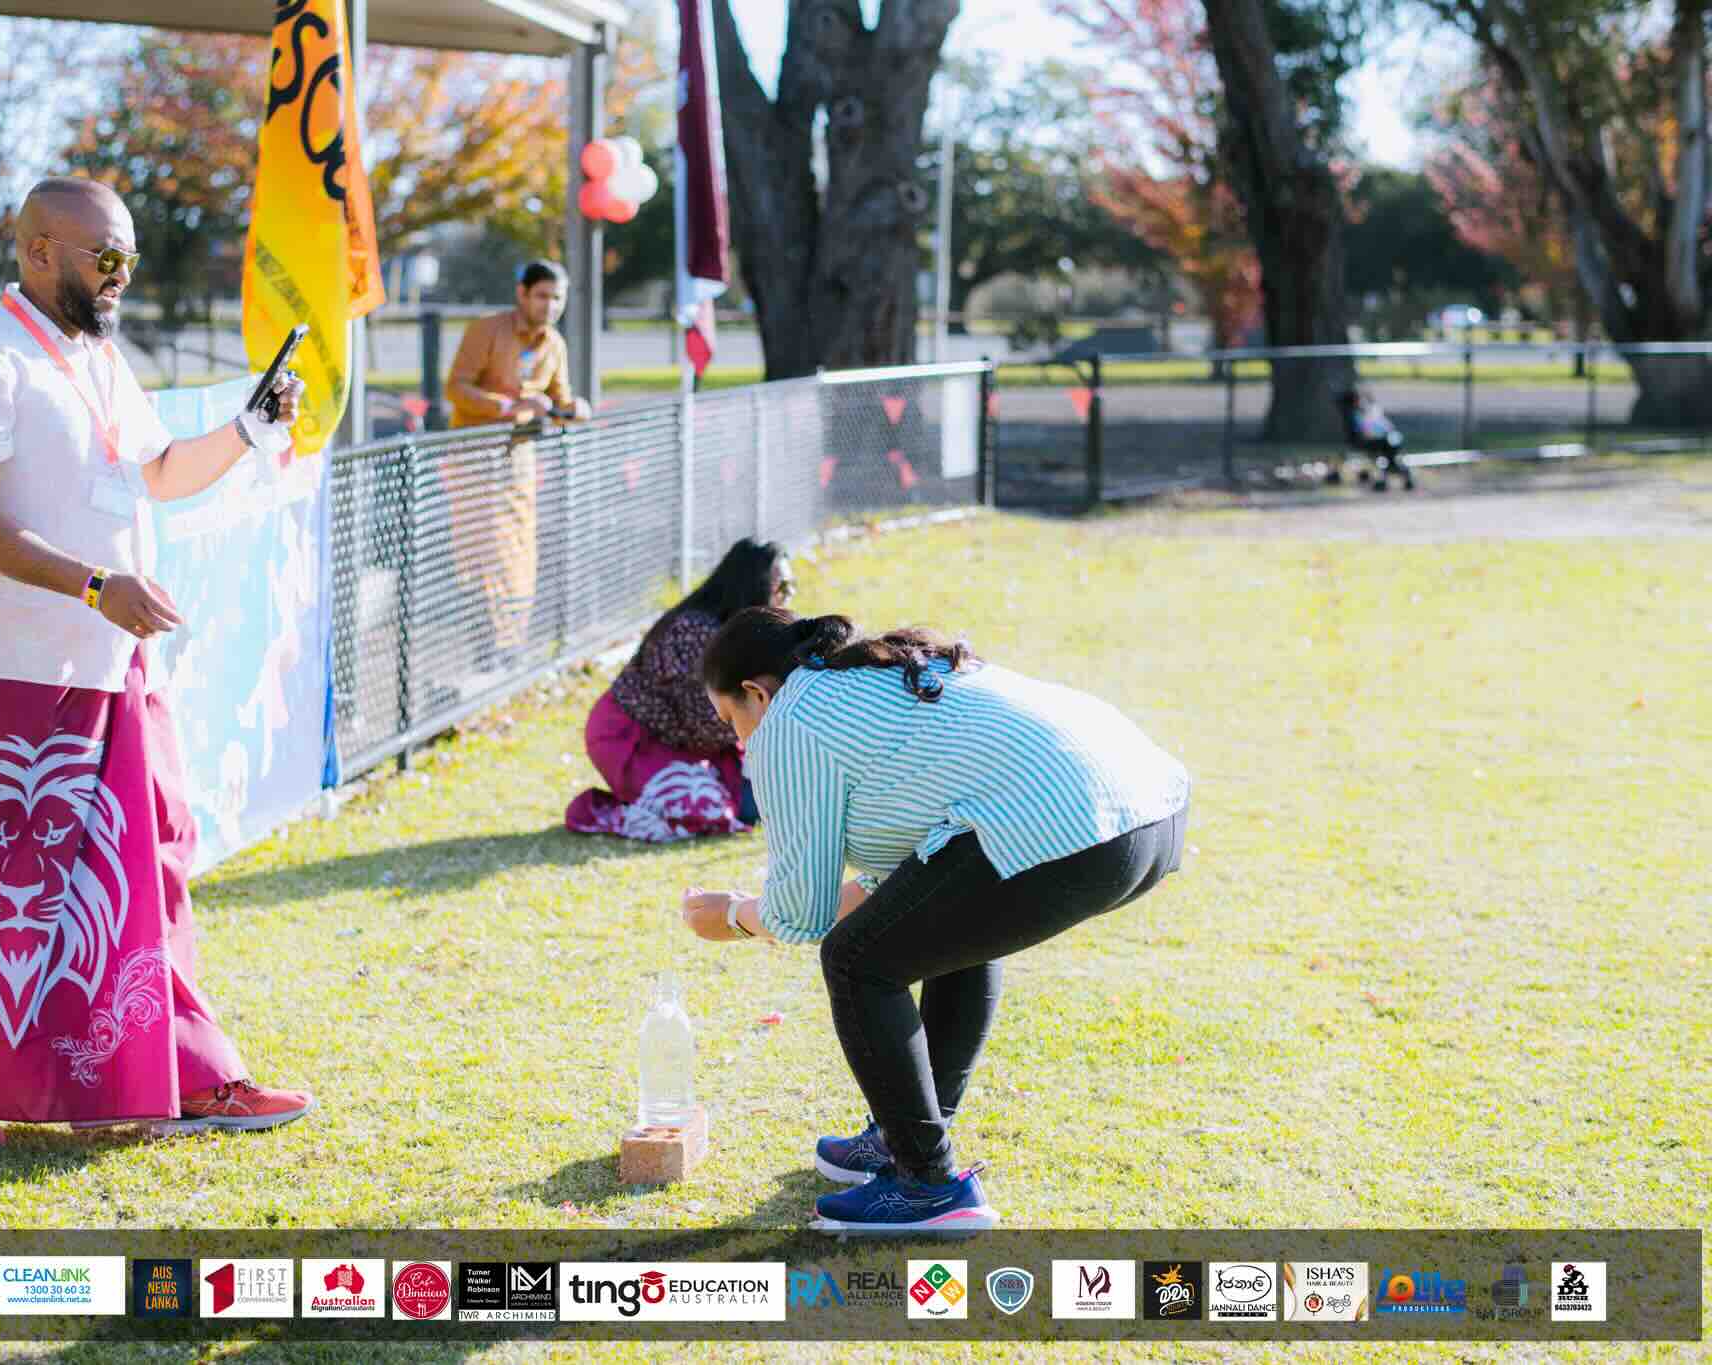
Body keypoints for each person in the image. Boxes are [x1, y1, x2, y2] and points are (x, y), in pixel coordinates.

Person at [0, 177, 313, 1149]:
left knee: (150, 871)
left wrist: (247, 432)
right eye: (105, 257)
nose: (121, 275)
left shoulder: (97, 357)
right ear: (39, 250)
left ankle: (195, 1080)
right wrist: (95, 585)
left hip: (117, 668)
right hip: (15, 674)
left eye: (127, 257)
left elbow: (160, 473)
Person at [678, 608, 1191, 1233]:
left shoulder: (792, 719)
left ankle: (928, 1184)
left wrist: (731, 916)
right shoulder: (863, 687)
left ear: (758, 692)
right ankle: (910, 1140)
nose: (737, 742)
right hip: (1149, 812)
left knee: (855, 962)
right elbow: (895, 891)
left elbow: (801, 914)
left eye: (732, 720)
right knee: (928, 933)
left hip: (1081, 823)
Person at [566, 538, 792, 842]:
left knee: (766, 802)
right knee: (711, 812)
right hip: (630, 737)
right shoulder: (696, 630)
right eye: (782, 589)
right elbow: (703, 727)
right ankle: (599, 810)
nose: (787, 599)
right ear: (753, 586)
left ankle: (650, 799)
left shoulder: (730, 633)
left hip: (687, 743)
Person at [441, 261, 593, 658]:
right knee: (480, 554)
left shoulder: (554, 344)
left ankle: (511, 644)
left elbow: (559, 397)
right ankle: (482, 644)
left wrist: (573, 408)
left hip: (517, 463)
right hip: (474, 459)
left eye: (557, 297)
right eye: (542, 295)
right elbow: (456, 388)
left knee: (517, 552)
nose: (550, 305)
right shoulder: (487, 330)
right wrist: (510, 406)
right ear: (521, 294)